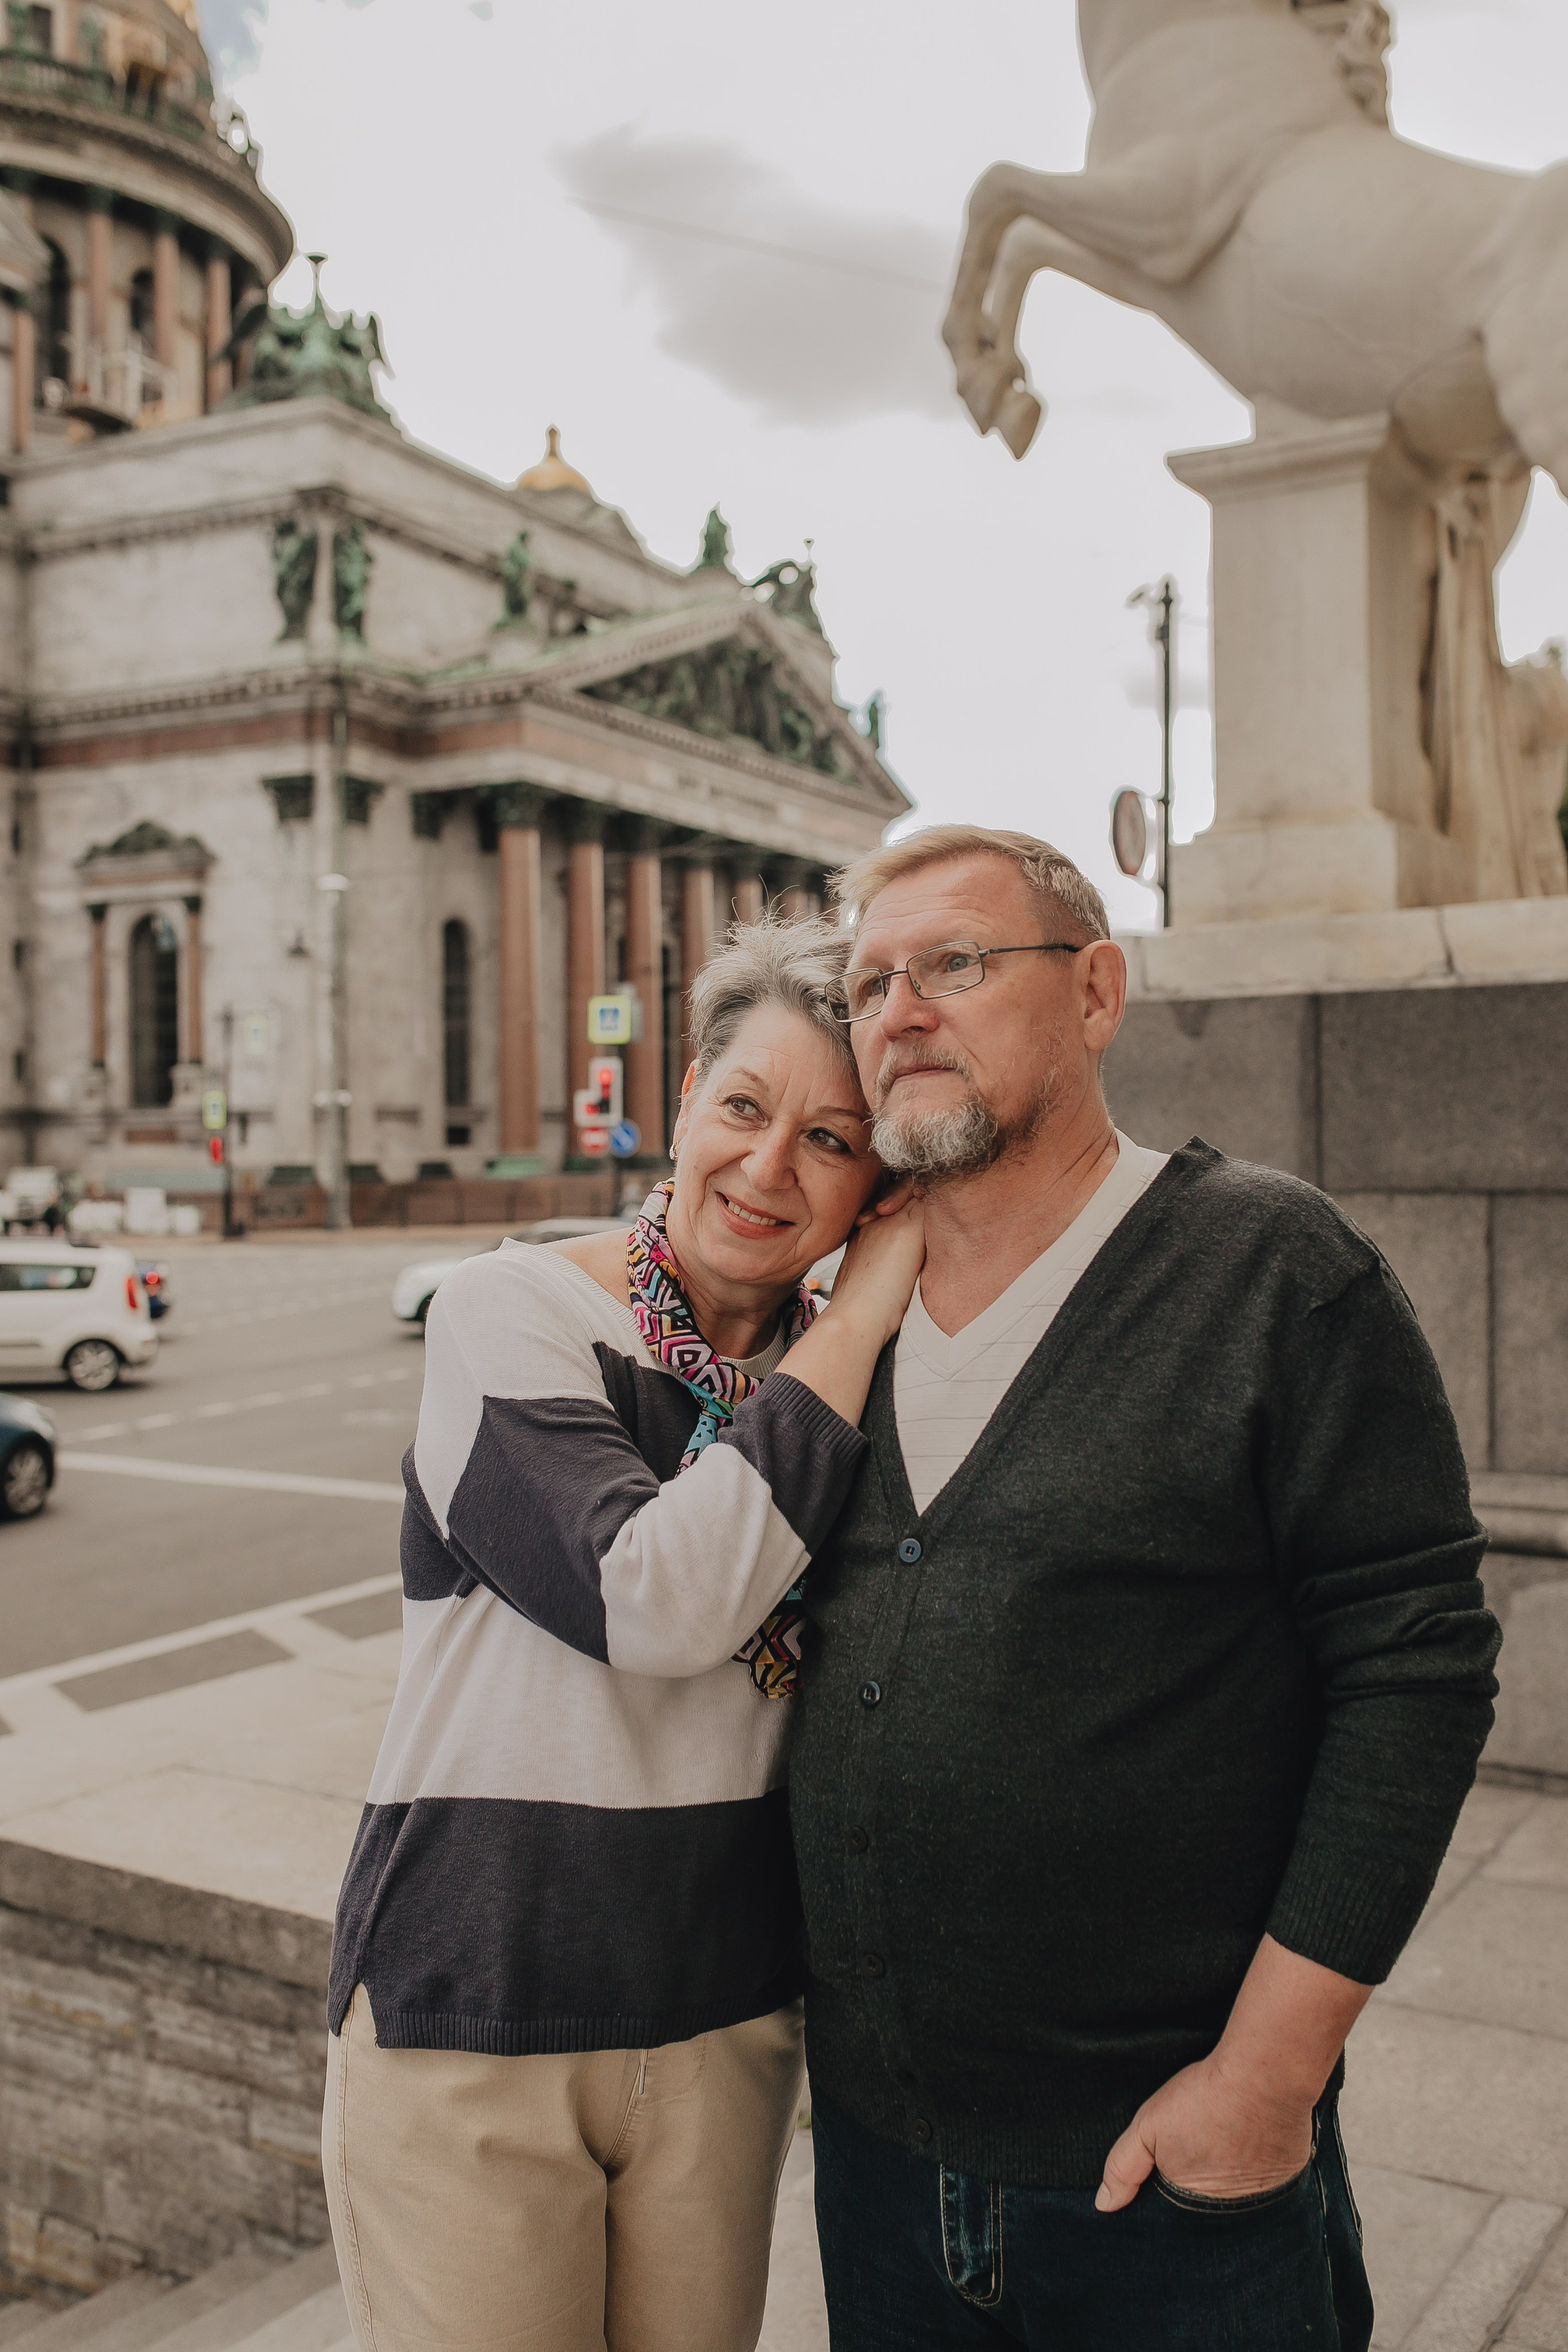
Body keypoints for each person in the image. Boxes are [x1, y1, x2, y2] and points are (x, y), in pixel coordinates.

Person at [791, 824, 1501, 2352]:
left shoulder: (1272, 1271)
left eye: (957, 965)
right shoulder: (841, 1321)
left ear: (1096, 994)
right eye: (869, 984)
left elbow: (1415, 1674)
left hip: (1171, 2200)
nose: (899, 1011)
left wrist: (1261, 2088)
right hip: (877, 2171)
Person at [321, 917, 924, 2352]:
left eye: (833, 1141)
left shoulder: (840, 1391)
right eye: (742, 1108)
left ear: (873, 1185)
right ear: (679, 1106)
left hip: (719, 2017)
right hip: (479, 2006)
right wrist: (866, 1312)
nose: (769, 1168)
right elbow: (644, 1598)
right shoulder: (509, 1310)